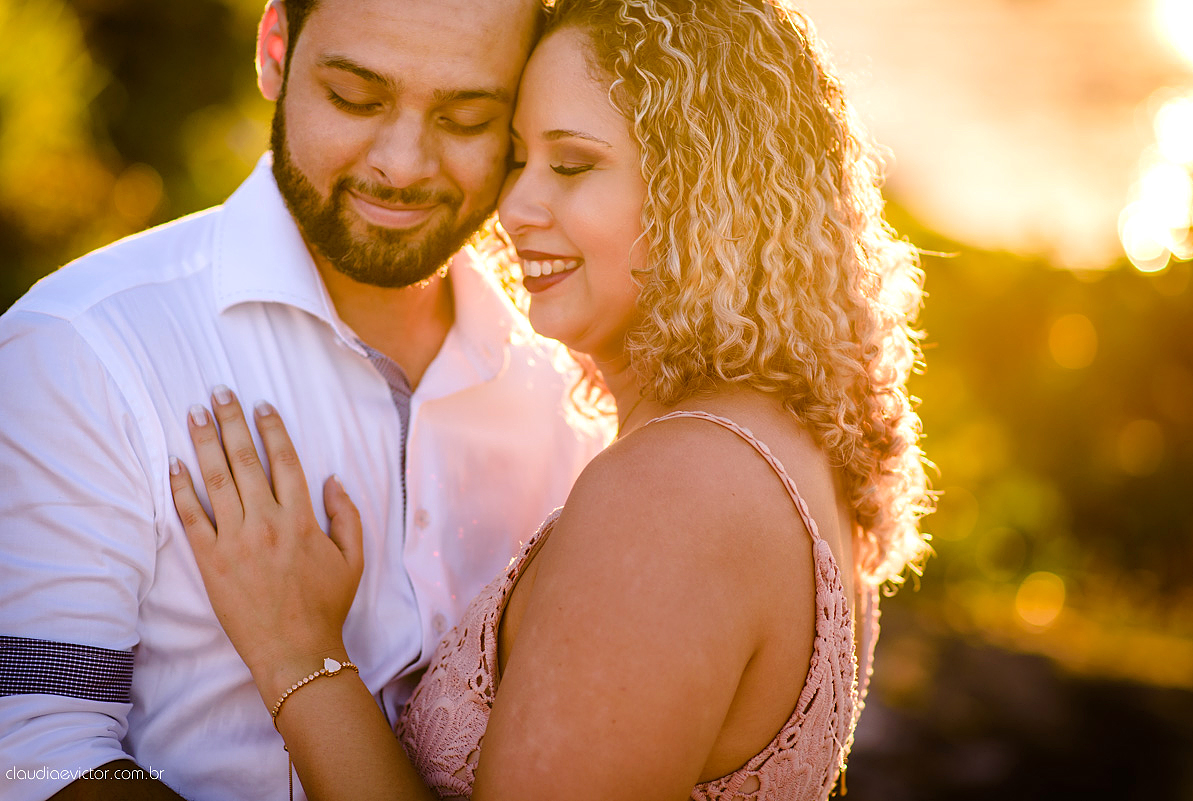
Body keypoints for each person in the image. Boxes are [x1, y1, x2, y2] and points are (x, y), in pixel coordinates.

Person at [170, 0, 934, 798]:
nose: (514, 208)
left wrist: (302, 656)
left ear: (708, 192)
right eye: (515, 159)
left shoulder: (677, 493)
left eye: (571, 166)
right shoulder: (775, 439)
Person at [0, 0, 609, 799]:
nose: (402, 164)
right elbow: (31, 752)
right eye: (356, 99)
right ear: (275, 52)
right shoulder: (83, 346)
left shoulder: (572, 392)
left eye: (466, 117)